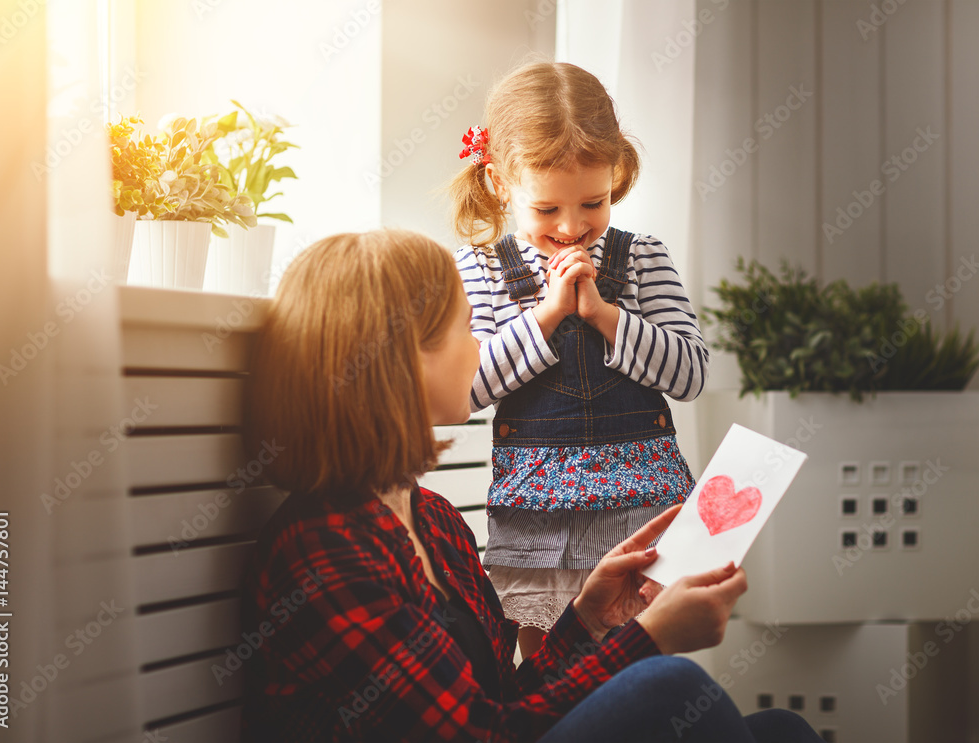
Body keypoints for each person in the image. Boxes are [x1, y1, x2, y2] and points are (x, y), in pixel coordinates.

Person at [239, 229, 824, 742]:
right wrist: (650, 638)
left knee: (782, 730)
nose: (479, 345)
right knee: (668, 685)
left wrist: (590, 617)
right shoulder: (325, 553)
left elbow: (505, 703)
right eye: (465, 327)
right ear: (402, 361)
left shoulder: (434, 520)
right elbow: (484, 737)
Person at [450, 60, 707, 658]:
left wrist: (604, 315)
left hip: (642, 500)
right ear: (499, 184)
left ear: (616, 174)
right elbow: (468, 387)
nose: (572, 227)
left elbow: (691, 373)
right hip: (538, 508)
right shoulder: (481, 269)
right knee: (548, 658)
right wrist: (546, 315)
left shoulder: (642, 258)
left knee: (644, 653)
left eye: (593, 203)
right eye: (546, 211)